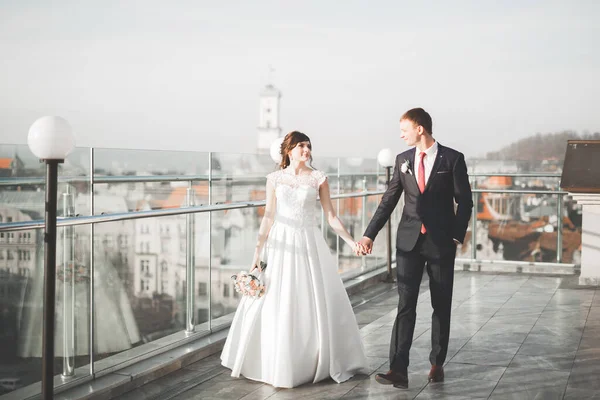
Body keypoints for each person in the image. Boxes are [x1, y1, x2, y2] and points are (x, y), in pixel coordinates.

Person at [221, 131, 368, 388]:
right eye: (301, 145)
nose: (306, 150)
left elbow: (331, 217)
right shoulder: (275, 179)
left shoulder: (318, 179)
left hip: (309, 243)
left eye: (309, 145)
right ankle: (274, 362)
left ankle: (310, 360)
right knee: (279, 299)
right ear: (289, 150)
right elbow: (268, 216)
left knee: (310, 299)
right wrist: (257, 252)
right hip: (281, 244)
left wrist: (351, 241)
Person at [358, 108, 473, 389]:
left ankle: (437, 363)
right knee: (405, 305)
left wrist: (456, 237)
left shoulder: (453, 159)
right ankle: (398, 369)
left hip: (441, 243)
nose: (401, 135)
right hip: (408, 243)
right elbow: (389, 200)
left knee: (440, 304)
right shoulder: (402, 160)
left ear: (420, 129)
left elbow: (465, 201)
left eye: (404, 129)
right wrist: (369, 234)